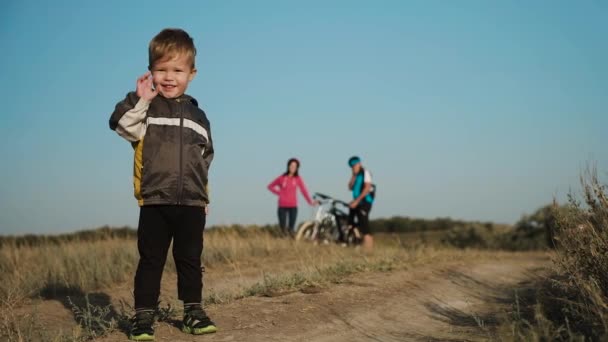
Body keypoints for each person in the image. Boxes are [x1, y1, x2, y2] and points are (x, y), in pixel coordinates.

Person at [109, 28, 216, 341]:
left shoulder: (200, 116)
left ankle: (193, 312)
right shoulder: (145, 107)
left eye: (177, 70)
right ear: (150, 71)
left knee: (190, 259)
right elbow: (121, 125)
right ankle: (143, 317)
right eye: (161, 69)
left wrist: (204, 197)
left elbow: (204, 159)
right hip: (155, 200)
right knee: (151, 259)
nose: (169, 77)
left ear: (191, 74)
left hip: (192, 203)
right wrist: (142, 100)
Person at [267, 158, 316, 236]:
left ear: (297, 168)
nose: (293, 167)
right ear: (288, 166)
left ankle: (291, 244)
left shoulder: (298, 179)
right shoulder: (282, 178)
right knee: (283, 229)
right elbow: (270, 186)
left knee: (291, 229)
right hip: (282, 206)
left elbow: (304, 191)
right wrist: (279, 193)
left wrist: (310, 202)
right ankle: (283, 243)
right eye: (291, 165)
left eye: (295, 166)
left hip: (293, 207)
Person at [347, 156, 375, 250]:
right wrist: (353, 176)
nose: (354, 167)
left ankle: (369, 250)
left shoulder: (365, 172)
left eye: (355, 165)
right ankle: (356, 241)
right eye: (352, 166)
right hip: (357, 202)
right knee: (351, 222)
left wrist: (357, 201)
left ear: (359, 164)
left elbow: (367, 188)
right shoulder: (356, 175)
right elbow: (350, 187)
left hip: (365, 202)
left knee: (364, 225)